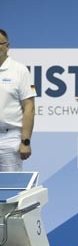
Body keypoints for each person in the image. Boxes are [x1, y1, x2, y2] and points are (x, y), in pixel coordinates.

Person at [0, 29, 35, 171]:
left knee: (10, 183)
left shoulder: (20, 70)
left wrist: (25, 141)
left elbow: (29, 107)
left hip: (9, 138)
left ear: (7, 46)